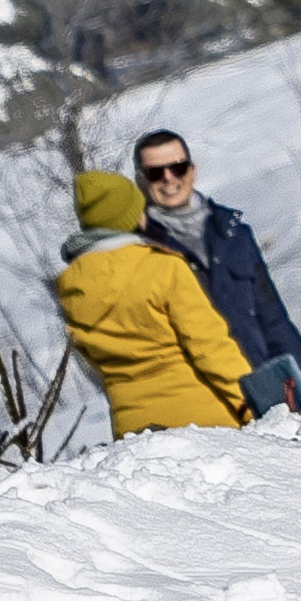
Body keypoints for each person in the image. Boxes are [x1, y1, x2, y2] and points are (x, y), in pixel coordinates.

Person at [131, 129, 301, 405]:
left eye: (177, 167)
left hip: (265, 387)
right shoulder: (139, 249)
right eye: (155, 172)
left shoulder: (235, 234)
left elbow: (274, 322)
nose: (168, 178)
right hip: (206, 402)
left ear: (192, 171)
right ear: (141, 181)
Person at [54, 168, 250, 435]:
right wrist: (249, 405)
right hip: (207, 421)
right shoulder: (163, 267)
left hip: (134, 430)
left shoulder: (70, 287)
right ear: (129, 215)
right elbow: (210, 347)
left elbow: (91, 362)